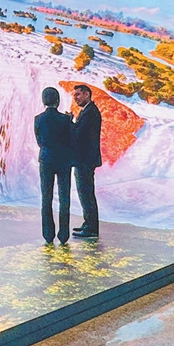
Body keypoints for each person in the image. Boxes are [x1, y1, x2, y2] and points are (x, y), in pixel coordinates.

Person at [35, 87, 74, 245]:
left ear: (44, 101)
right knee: (64, 198)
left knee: (46, 197)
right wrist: (70, 121)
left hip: (46, 160)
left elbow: (39, 142)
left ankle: (48, 234)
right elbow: (71, 140)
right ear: (58, 101)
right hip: (64, 161)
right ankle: (63, 234)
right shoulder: (65, 120)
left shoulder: (38, 119)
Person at [71, 84, 102, 238]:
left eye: (77, 94)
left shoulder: (90, 112)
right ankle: (88, 223)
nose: (75, 98)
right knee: (85, 193)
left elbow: (79, 133)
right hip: (85, 159)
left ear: (87, 94)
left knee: (86, 193)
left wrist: (69, 123)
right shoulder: (88, 111)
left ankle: (91, 228)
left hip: (85, 160)